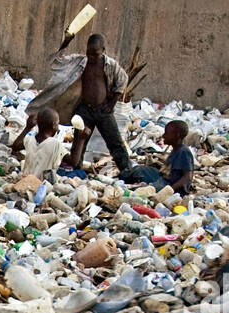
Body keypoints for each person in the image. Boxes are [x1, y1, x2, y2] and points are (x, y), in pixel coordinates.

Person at [19, 33, 131, 176]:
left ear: (103, 50)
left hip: (103, 109)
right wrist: (65, 42)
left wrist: (112, 103)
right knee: (79, 143)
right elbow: (56, 61)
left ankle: (127, 172)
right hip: (85, 109)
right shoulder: (79, 62)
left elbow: (123, 80)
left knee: (115, 143)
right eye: (88, 53)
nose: (91, 57)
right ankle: (77, 172)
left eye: (95, 54)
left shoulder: (110, 65)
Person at [125, 119, 196, 194]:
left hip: (170, 185)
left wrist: (169, 190)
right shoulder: (175, 149)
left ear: (176, 135)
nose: (163, 135)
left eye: (167, 133)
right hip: (163, 179)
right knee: (140, 170)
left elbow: (188, 177)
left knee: (143, 191)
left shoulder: (184, 152)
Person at [11, 107, 67, 180]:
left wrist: (27, 128)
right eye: (57, 123)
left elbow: (15, 146)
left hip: (25, 181)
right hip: (43, 185)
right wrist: (80, 139)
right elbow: (74, 162)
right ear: (54, 125)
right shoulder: (56, 144)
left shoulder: (30, 139)